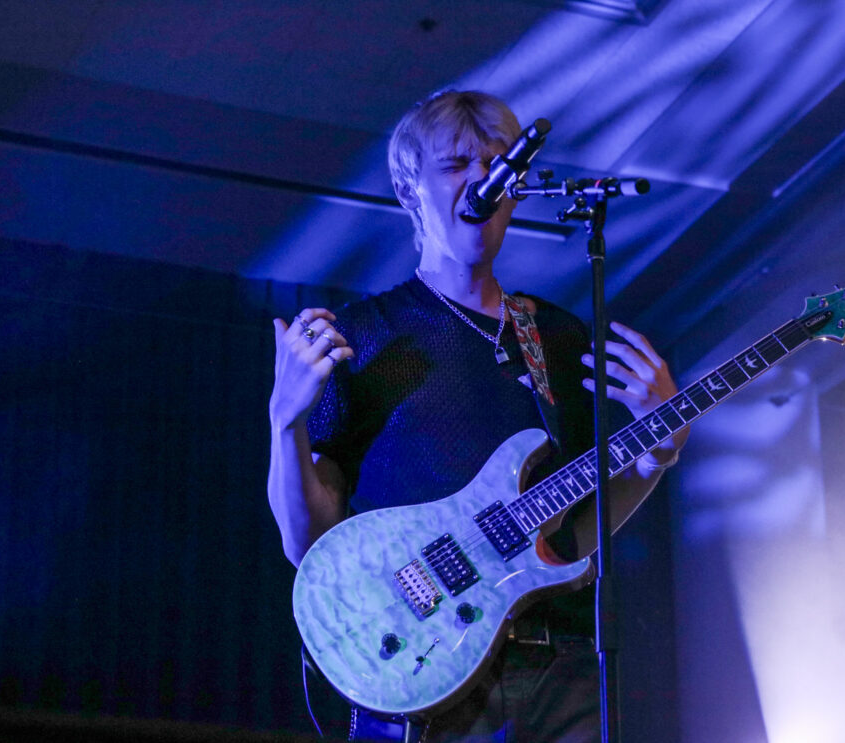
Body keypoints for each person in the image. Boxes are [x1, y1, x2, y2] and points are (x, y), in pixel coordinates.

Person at [267, 89, 688, 742]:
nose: (482, 178)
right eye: (456, 164)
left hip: (559, 665)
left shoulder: (557, 337)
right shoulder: (364, 335)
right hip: (429, 674)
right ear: (410, 189)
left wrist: (657, 453)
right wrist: (285, 422)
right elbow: (307, 544)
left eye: (497, 164)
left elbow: (575, 532)